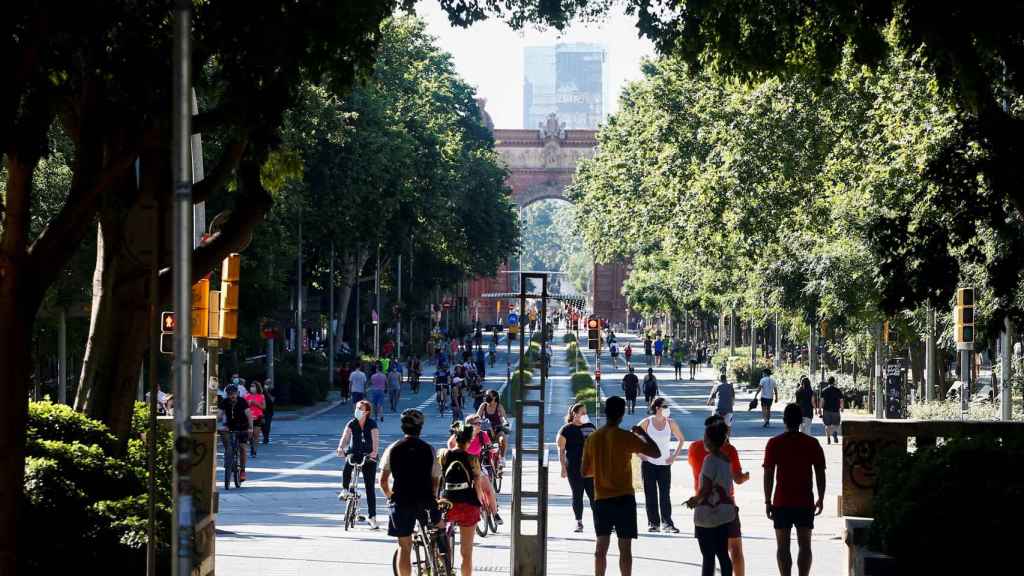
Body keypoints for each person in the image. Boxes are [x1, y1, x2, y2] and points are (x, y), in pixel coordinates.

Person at [582, 396, 661, 576]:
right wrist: (643, 433)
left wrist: (602, 469)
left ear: (605, 412)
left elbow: (584, 472)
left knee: (600, 548)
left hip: (602, 499)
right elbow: (655, 453)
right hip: (625, 498)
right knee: (625, 550)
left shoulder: (593, 439)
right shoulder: (627, 437)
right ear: (622, 414)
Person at [764, 404, 827, 576]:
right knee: (805, 545)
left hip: (781, 502)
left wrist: (768, 501)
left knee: (782, 547)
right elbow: (820, 473)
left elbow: (768, 474)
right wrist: (821, 497)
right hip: (805, 501)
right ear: (801, 421)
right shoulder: (812, 443)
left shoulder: (774, 443)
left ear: (784, 421)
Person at [380, 409, 445, 576]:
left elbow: (383, 481)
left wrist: (390, 497)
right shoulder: (429, 449)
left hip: (401, 501)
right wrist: (434, 498)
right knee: (440, 531)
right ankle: (444, 564)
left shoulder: (393, 448)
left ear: (402, 428)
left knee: (404, 546)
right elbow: (435, 481)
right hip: (425, 501)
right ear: (420, 428)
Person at [689, 415, 750, 576]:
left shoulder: (696, 449)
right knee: (728, 552)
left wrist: (694, 500)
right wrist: (745, 476)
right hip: (726, 508)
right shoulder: (728, 455)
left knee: (708, 557)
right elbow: (737, 478)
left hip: (705, 508)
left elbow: (706, 487)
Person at [439, 421, 497, 576]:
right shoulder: (472, 459)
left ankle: (443, 567)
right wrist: (481, 501)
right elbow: (477, 484)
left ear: (455, 438)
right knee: (466, 553)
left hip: (447, 502)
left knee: (441, 544)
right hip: (468, 505)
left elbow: (439, 478)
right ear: (470, 440)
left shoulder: (443, 454)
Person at [639, 398, 685, 533]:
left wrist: (674, 456)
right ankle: (654, 523)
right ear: (658, 408)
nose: (667, 408)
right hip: (648, 464)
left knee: (665, 494)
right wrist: (640, 454)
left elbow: (681, 439)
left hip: (664, 464)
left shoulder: (670, 423)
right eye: (665, 406)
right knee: (650, 494)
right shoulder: (647, 422)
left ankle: (667, 523)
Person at [336, 399, 381, 530]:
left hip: (368, 456)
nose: (357, 411)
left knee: (369, 487)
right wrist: (340, 448)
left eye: (360, 409)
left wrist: (373, 453)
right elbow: (345, 437)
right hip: (354, 453)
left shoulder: (372, 424)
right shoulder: (352, 423)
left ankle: (372, 517)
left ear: (367, 412)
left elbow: (376, 440)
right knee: (347, 467)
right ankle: (345, 490)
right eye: (357, 408)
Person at [557, 403, 597, 533]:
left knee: (594, 496)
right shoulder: (566, 429)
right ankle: (578, 522)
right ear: (575, 414)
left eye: (586, 413)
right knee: (577, 494)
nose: (585, 415)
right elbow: (561, 450)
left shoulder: (591, 427)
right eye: (582, 413)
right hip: (573, 467)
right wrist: (563, 467)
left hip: (591, 467)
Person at [217, 384, 252, 482]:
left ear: (237, 393)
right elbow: (219, 415)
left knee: (242, 448)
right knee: (227, 443)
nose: (232, 396)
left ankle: (242, 470)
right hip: (230, 426)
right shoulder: (224, 402)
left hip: (243, 426)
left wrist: (250, 428)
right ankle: (228, 460)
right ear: (227, 395)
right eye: (229, 394)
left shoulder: (242, 401)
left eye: (233, 394)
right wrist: (216, 421)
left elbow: (249, 416)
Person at [477, 390, 508, 466]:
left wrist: (504, 422)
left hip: (497, 429)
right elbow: (477, 416)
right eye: (486, 395)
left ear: (494, 397)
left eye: (488, 395)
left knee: (503, 439)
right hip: (486, 430)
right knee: (477, 440)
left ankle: (502, 458)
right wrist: (474, 421)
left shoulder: (499, 406)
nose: (486, 397)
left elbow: (504, 417)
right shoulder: (483, 405)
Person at [819, 376, 844, 444]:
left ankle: (828, 438)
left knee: (827, 425)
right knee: (836, 424)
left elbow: (821, 401)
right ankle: (834, 432)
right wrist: (842, 408)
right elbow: (841, 400)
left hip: (826, 410)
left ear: (828, 382)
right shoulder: (838, 390)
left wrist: (820, 409)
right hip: (836, 410)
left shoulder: (824, 390)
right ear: (834, 382)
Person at [247, 381, 267, 456]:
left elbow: (264, 407)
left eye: (253, 386)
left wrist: (256, 403)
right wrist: (248, 404)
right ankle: (251, 446)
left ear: (257, 387)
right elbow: (243, 406)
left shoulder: (261, 396)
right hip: (249, 417)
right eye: (251, 386)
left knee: (256, 435)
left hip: (258, 417)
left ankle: (254, 451)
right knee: (250, 435)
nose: (252, 388)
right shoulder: (247, 396)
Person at [262, 379, 275, 444]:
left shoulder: (273, 391)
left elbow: (272, 400)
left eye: (268, 384)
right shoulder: (261, 391)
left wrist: (267, 392)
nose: (267, 385)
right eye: (266, 384)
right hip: (262, 411)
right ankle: (265, 436)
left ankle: (266, 438)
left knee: (267, 425)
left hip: (269, 411)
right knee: (262, 426)